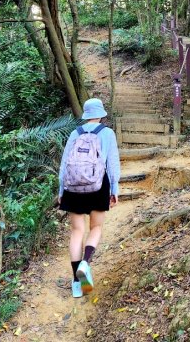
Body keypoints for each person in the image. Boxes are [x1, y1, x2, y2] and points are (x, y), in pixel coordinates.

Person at [58, 98, 120, 298]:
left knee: (77, 231)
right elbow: (112, 163)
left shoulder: (74, 133)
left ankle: (77, 283)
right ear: (101, 114)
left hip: (73, 188)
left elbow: (64, 165)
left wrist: (61, 191)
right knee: (96, 228)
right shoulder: (107, 133)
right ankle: (85, 262)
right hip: (98, 185)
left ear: (85, 115)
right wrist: (115, 189)